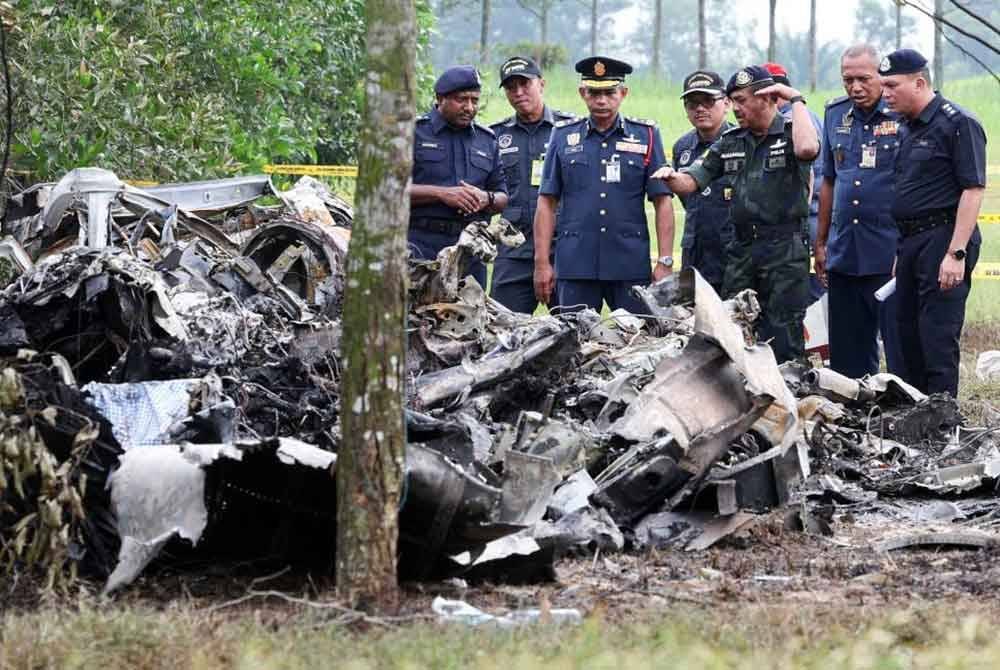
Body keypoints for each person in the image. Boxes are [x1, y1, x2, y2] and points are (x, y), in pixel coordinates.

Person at [653, 65, 820, 363]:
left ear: (767, 98)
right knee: (734, 327)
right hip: (742, 250)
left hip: (784, 249)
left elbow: (807, 149)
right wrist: (671, 177)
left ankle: (786, 398)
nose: (736, 108)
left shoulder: (790, 131)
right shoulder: (732, 141)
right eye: (733, 100)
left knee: (783, 332)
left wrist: (795, 99)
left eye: (742, 99)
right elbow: (693, 179)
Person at [880, 48, 986, 396]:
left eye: (892, 85)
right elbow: (911, 193)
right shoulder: (907, 128)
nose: (886, 93)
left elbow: (972, 190)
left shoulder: (958, 123)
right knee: (907, 334)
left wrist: (956, 253)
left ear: (919, 82)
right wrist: (902, 249)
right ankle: (917, 419)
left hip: (944, 238)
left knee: (937, 335)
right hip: (912, 242)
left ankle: (943, 424)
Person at [533, 56, 674, 314]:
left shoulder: (647, 135)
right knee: (573, 343)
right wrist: (542, 262)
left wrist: (665, 261)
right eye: (594, 93)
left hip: (629, 264)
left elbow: (663, 201)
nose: (601, 100)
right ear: (582, 93)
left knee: (638, 341)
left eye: (609, 92)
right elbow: (547, 201)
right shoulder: (563, 136)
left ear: (623, 93)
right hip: (576, 264)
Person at [816, 44, 904, 379]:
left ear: (881, 77)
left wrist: (905, 249)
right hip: (845, 250)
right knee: (847, 354)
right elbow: (828, 180)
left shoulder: (900, 113)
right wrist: (821, 243)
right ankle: (854, 417)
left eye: (863, 79)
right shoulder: (836, 113)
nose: (855, 87)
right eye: (847, 79)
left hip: (887, 249)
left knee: (898, 348)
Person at [489, 56, 576, 313]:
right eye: (510, 87)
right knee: (501, 334)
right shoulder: (495, 136)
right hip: (514, 250)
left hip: (564, 247)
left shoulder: (571, 131)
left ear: (541, 84)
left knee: (574, 332)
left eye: (524, 84)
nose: (518, 92)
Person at [409, 65, 508, 288]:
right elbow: (390, 192)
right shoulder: (413, 133)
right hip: (420, 247)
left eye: (474, 100)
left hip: (469, 251)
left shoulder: (487, 140)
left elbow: (503, 196)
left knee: (470, 319)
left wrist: (486, 198)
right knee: (417, 319)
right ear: (440, 98)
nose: (469, 107)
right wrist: (441, 194)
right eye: (461, 100)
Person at [763, 62, 825, 301]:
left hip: (799, 227)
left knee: (803, 303)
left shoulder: (787, 124)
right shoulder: (811, 118)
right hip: (816, 224)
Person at [670, 70, 734, 294]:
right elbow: (687, 199)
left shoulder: (740, 142)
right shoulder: (682, 147)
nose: (700, 109)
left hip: (732, 252)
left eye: (708, 101)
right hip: (695, 250)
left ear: (726, 103)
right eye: (692, 103)